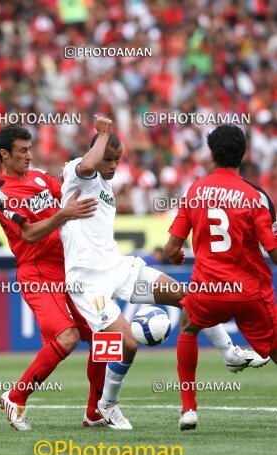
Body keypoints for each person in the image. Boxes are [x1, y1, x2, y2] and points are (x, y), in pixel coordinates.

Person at [60, 117, 269, 430]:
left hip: (118, 268)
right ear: (95, 151)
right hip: (88, 283)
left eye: (117, 160)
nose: (114, 165)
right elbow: (88, 164)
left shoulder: (106, 187)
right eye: (108, 158)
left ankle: (229, 352)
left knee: (187, 297)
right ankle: (108, 405)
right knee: (127, 344)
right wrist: (103, 134)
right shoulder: (75, 171)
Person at [0, 124, 106, 430]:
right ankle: (16, 398)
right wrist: (63, 215)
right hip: (39, 273)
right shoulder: (2, 196)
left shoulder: (41, 177)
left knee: (104, 336)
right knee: (67, 338)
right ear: (5, 154)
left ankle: (94, 412)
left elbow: (70, 196)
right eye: (22, 151)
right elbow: (28, 234)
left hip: (69, 269)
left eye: (30, 149)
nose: (29, 155)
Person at [164, 124, 277, 430]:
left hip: (209, 290)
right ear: (244, 154)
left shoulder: (195, 191)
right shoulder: (256, 197)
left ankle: (188, 410)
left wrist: (176, 254)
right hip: (250, 292)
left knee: (188, 328)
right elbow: (274, 253)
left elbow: (171, 247)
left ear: (211, 154)